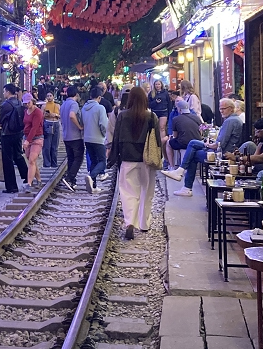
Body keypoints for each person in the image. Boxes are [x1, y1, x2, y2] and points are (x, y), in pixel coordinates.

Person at [108, 87, 160, 239]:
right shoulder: (152, 116)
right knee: (147, 192)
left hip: (127, 159)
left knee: (128, 192)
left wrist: (113, 158)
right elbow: (156, 141)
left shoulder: (123, 115)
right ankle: (143, 224)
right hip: (147, 160)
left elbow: (116, 138)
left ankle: (130, 222)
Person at [162, 98, 242, 196]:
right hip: (222, 149)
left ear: (230, 108)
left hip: (221, 152)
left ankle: (184, 181)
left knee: (193, 150)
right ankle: (182, 175)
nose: (221, 111)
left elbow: (219, 144)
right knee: (192, 145)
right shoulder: (233, 119)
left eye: (223, 109)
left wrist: (207, 144)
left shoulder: (230, 121)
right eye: (220, 109)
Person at [0, 83, 29, 193]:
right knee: (18, 155)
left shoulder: (5, 105)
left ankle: (11, 186)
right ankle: (27, 177)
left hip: (7, 134)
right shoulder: (19, 103)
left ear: (7, 92)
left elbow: (1, 120)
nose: (3, 93)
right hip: (18, 133)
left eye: (4, 91)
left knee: (7, 160)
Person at [60, 85, 88, 193]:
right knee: (78, 158)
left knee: (71, 158)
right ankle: (69, 177)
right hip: (75, 136)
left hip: (66, 136)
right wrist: (79, 126)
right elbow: (72, 115)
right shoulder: (74, 104)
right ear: (76, 94)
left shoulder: (63, 105)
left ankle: (72, 180)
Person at [81, 86, 108, 187]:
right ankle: (92, 176)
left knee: (93, 160)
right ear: (99, 97)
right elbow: (103, 124)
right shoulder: (100, 108)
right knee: (102, 161)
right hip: (98, 139)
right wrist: (104, 135)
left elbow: (82, 122)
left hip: (87, 138)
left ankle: (93, 185)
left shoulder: (84, 108)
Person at [22, 92, 44, 188]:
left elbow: (34, 127)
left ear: (32, 101)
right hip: (26, 137)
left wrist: (27, 141)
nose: (27, 105)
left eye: (28, 102)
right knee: (32, 161)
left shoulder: (38, 112)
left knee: (31, 160)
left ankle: (29, 183)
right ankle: (39, 180)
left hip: (37, 138)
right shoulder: (25, 112)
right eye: (25, 103)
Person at [42, 92, 61, 168]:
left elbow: (60, 115)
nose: (49, 97)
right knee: (47, 145)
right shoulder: (44, 106)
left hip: (55, 123)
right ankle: (47, 163)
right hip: (47, 123)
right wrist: (46, 115)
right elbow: (41, 116)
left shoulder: (57, 105)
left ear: (53, 97)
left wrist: (56, 115)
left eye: (50, 96)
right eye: (48, 96)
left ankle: (54, 163)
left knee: (55, 145)